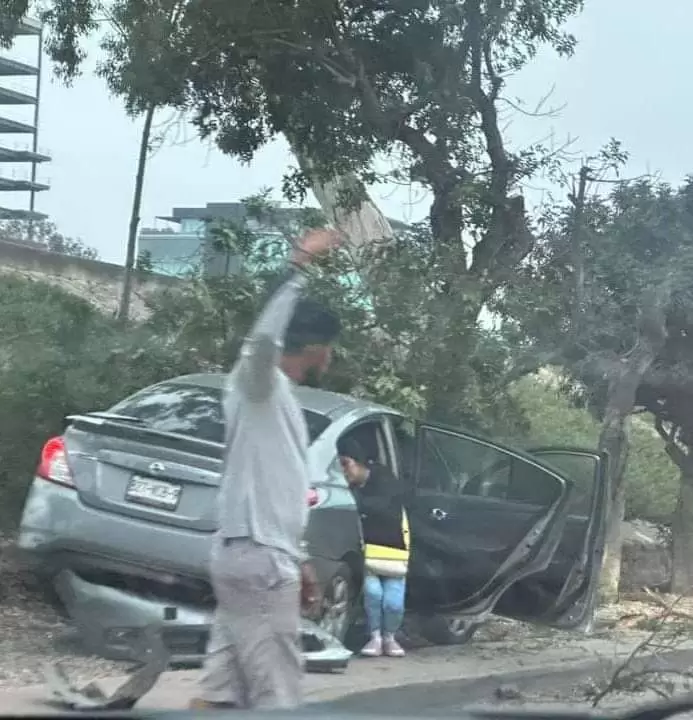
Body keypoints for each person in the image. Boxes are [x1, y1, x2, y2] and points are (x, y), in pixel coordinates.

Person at [190, 227, 342, 711]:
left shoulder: (276, 399)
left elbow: (278, 490)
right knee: (276, 691)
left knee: (223, 691)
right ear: (317, 346)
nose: (333, 356)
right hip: (257, 560)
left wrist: (299, 559)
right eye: (330, 346)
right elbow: (261, 338)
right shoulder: (258, 383)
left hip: (256, 556)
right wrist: (298, 264)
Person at [337, 437, 410, 658]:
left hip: (393, 553)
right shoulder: (349, 488)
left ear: (360, 462)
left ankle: (390, 636)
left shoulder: (386, 481)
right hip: (366, 554)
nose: (343, 471)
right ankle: (375, 636)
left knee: (393, 602)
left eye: (346, 463)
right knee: (373, 594)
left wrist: (357, 501)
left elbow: (382, 507)